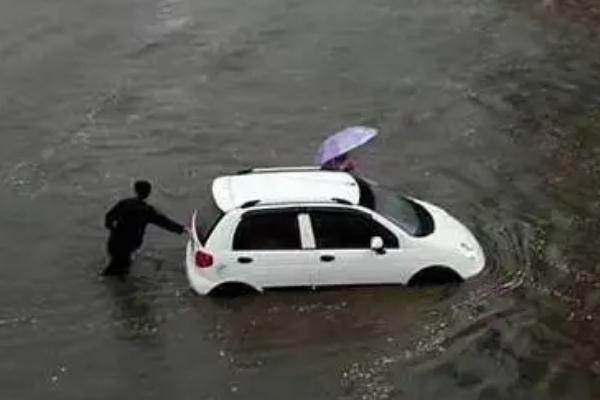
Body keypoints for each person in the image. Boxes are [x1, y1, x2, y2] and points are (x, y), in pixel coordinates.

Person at [103, 180, 187, 276]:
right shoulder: (147, 211)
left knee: (115, 267)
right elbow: (165, 223)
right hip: (128, 246)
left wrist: (113, 230)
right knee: (121, 271)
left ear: (135, 190)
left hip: (114, 242)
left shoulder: (124, 203)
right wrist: (183, 229)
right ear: (148, 193)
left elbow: (109, 218)